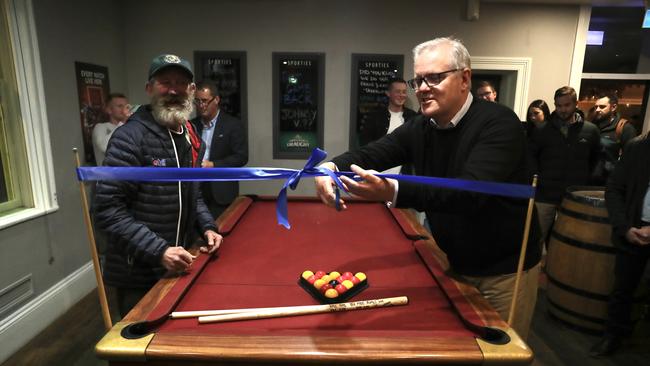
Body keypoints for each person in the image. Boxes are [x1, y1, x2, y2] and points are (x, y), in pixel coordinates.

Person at [315, 37, 541, 339]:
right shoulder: (422, 126)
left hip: (502, 271)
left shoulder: (499, 124)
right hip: (454, 260)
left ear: (465, 78)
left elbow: (469, 193)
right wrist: (329, 167)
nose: (421, 88)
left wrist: (393, 192)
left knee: (498, 353)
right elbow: (373, 152)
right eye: (418, 80)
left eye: (434, 77)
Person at [94, 54, 222, 317]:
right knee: (138, 351)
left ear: (192, 90)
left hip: (178, 263)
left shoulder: (191, 137)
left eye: (181, 83)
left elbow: (193, 193)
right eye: (165, 82)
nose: (174, 89)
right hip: (138, 272)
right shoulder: (129, 138)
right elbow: (107, 210)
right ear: (149, 89)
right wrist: (159, 250)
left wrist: (208, 226)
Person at [589, 133, 650, 357]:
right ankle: (613, 336)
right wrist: (624, 227)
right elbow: (614, 188)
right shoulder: (637, 147)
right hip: (633, 230)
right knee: (622, 289)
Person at [528, 86, 600, 246]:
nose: (562, 110)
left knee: (568, 240)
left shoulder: (590, 130)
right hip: (545, 194)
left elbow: (595, 159)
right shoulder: (542, 129)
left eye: (567, 105)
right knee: (536, 237)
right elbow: (531, 158)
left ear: (576, 104)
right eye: (559, 105)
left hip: (574, 196)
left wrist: (586, 182)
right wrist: (538, 181)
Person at [191, 81, 248, 219]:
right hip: (196, 192)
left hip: (222, 193)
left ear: (216, 100)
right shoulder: (191, 125)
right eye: (197, 101)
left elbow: (241, 157)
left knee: (220, 233)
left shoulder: (233, 125)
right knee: (196, 236)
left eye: (205, 101)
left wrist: (213, 165)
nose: (201, 106)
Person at [591, 93, 637, 186]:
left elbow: (632, 160)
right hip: (588, 181)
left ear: (613, 107)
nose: (597, 109)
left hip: (610, 183)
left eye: (602, 106)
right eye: (596, 107)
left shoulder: (624, 128)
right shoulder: (592, 126)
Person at [358, 78, 418, 148]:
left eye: (404, 92)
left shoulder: (413, 116)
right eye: (398, 91)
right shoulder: (375, 117)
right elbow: (365, 142)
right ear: (388, 93)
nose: (401, 95)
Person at [92, 93, 130, 165]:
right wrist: (123, 122)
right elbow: (104, 147)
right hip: (107, 175)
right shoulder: (101, 127)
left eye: (126, 106)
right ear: (109, 110)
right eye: (120, 106)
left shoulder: (130, 127)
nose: (124, 109)